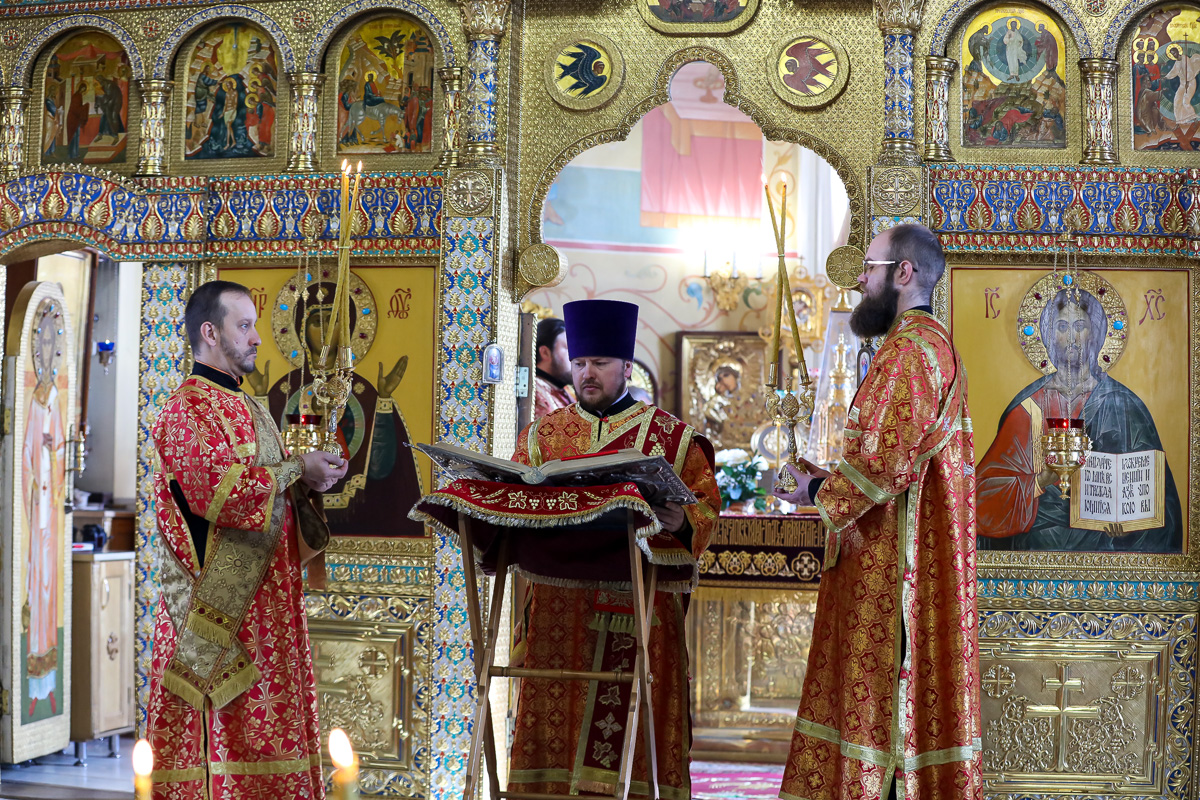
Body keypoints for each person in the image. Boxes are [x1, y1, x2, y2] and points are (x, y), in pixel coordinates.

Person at [774, 224, 981, 800]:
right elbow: (896, 456)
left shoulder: (909, 352)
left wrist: (817, 492)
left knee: (883, 709)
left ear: (903, 273)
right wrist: (822, 480)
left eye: (870, 267)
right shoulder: (927, 345)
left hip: (893, 568)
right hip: (895, 555)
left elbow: (885, 465)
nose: (861, 280)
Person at [508, 298, 721, 799]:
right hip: (558, 610)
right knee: (555, 723)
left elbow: (707, 511)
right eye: (580, 362)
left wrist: (683, 521)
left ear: (626, 366)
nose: (587, 374)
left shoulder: (672, 438)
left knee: (632, 732)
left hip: (638, 606)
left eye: (600, 363)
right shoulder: (542, 435)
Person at [145, 281, 348, 799]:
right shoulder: (186, 410)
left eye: (255, 325)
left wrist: (311, 478)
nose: (257, 337)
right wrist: (296, 468)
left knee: (274, 747)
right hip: (221, 622)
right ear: (210, 333)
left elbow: (272, 493)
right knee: (225, 756)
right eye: (244, 326)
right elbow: (220, 494)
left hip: (272, 614)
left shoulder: (251, 406)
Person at [976, 285, 1182, 552]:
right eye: (1062, 327)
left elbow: (1159, 499)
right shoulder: (1028, 407)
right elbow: (981, 496)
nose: (1071, 337)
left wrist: (1130, 523)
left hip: (1104, 550)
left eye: (1080, 326)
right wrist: (1039, 482)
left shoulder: (1125, 405)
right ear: (1048, 335)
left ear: (1095, 333)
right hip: (1037, 553)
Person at [532, 316, 573, 419]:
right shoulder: (533, 391)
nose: (575, 357)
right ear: (545, 353)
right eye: (569, 349)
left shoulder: (567, 391)